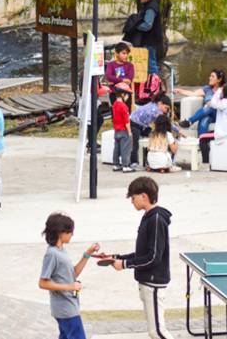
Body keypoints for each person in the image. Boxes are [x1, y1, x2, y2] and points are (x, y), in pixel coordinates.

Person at [112, 177, 174, 339]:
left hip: (153, 284)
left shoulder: (156, 220)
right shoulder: (149, 217)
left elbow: (153, 257)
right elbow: (143, 254)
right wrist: (118, 258)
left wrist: (125, 264)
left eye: (133, 198)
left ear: (144, 196)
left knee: (157, 332)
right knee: (155, 331)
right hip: (148, 282)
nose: (132, 202)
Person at [39, 212, 100, 339]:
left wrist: (87, 254)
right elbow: (43, 283)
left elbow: (72, 274)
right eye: (70, 231)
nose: (72, 234)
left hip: (68, 306)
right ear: (61, 233)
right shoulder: (52, 254)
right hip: (65, 309)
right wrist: (70, 287)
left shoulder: (61, 251)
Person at [199, 84, 227, 163]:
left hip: (226, 134)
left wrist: (219, 91)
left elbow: (213, 102)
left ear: (225, 93)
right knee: (207, 135)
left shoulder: (225, 103)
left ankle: (205, 162)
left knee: (202, 138)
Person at [176, 69, 226, 135]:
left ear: (219, 80)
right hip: (209, 115)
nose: (210, 78)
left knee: (210, 106)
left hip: (219, 115)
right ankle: (201, 141)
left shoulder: (225, 90)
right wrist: (180, 91)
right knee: (204, 119)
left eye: (212, 76)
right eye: (210, 76)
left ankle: (189, 121)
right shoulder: (207, 89)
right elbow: (192, 93)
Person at [129, 95, 173, 168]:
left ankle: (147, 159)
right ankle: (133, 162)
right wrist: (178, 130)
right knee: (135, 143)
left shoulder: (153, 104)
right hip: (134, 123)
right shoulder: (156, 111)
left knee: (152, 136)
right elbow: (166, 122)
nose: (166, 111)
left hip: (143, 125)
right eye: (166, 108)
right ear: (160, 104)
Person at [134, 0, 163, 75]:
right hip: (149, 39)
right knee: (149, 62)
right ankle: (152, 84)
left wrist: (135, 26)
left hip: (150, 40)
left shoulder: (151, 8)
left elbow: (147, 25)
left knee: (150, 63)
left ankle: (155, 86)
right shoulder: (149, 5)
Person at [105, 42, 135, 108]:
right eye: (123, 53)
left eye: (127, 53)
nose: (126, 56)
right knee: (115, 113)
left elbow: (129, 79)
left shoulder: (130, 65)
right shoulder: (111, 65)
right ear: (116, 53)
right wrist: (122, 80)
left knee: (126, 113)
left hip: (126, 93)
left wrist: (115, 81)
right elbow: (109, 76)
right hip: (114, 93)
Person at [112, 90, 134, 173]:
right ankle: (126, 166)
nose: (127, 97)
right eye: (127, 95)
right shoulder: (124, 106)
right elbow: (126, 121)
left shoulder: (114, 105)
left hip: (116, 130)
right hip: (124, 130)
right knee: (126, 149)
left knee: (116, 148)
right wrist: (130, 132)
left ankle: (116, 164)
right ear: (122, 94)